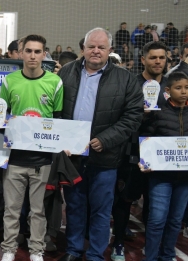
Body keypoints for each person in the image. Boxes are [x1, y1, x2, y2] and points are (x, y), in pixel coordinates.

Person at [57, 28, 143, 261]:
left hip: (106, 157)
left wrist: (106, 139)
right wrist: (61, 139)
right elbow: (55, 111)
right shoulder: (65, 73)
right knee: (74, 206)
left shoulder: (125, 79)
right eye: (91, 46)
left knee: (101, 210)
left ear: (110, 50)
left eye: (101, 47)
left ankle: (96, 254)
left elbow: (134, 116)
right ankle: (74, 250)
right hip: (72, 155)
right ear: (82, 49)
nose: (95, 51)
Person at [0, 34, 64, 261]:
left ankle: (36, 250)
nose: (33, 56)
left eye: (38, 51)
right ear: (21, 53)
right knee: (12, 210)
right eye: (28, 51)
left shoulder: (55, 83)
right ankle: (8, 249)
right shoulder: (9, 81)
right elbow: (2, 118)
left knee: (38, 211)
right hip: (15, 158)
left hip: (42, 160)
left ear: (44, 54)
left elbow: (57, 121)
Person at [110, 40, 168, 261]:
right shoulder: (131, 83)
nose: (157, 61)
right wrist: (139, 115)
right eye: (153, 57)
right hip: (132, 152)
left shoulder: (172, 86)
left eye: (161, 57)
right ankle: (118, 244)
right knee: (125, 199)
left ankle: (153, 247)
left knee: (155, 204)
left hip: (163, 155)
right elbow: (120, 116)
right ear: (143, 59)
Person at [139, 72, 188, 261]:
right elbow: (147, 139)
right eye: (179, 88)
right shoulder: (158, 114)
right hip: (160, 177)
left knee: (175, 221)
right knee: (157, 220)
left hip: (184, 179)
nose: (184, 92)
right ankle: (150, 257)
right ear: (167, 91)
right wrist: (145, 161)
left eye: (187, 87)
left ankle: (167, 256)